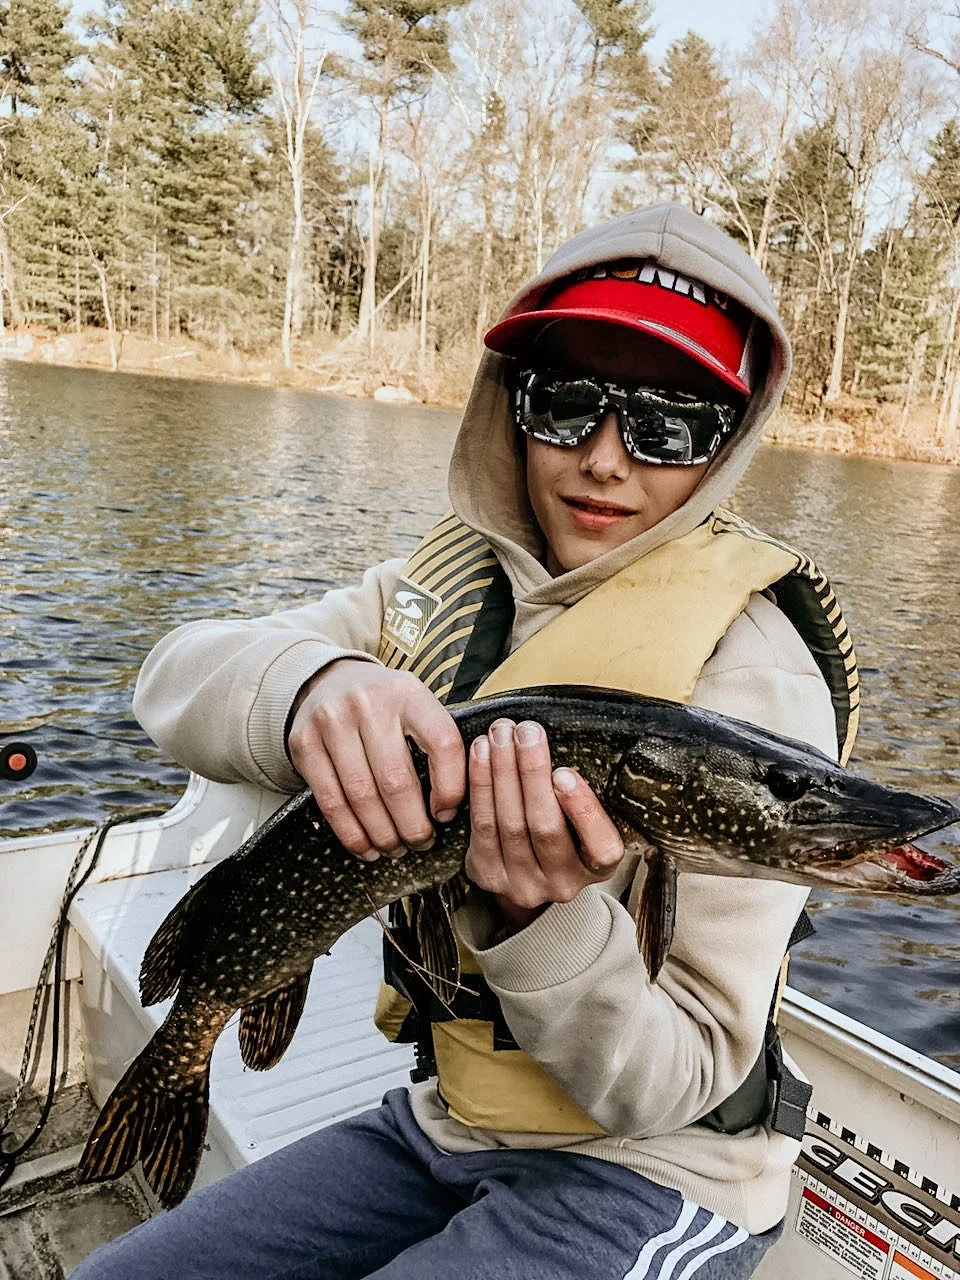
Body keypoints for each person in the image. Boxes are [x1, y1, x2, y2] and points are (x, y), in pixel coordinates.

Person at [74, 203, 858, 1280]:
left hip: (661, 1170)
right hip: (446, 1122)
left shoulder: (756, 684)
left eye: (668, 423)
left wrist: (540, 913)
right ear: (512, 405)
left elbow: (674, 1081)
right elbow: (172, 674)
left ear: (727, 446)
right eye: (565, 402)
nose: (604, 459)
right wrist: (313, 686)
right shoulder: (438, 600)